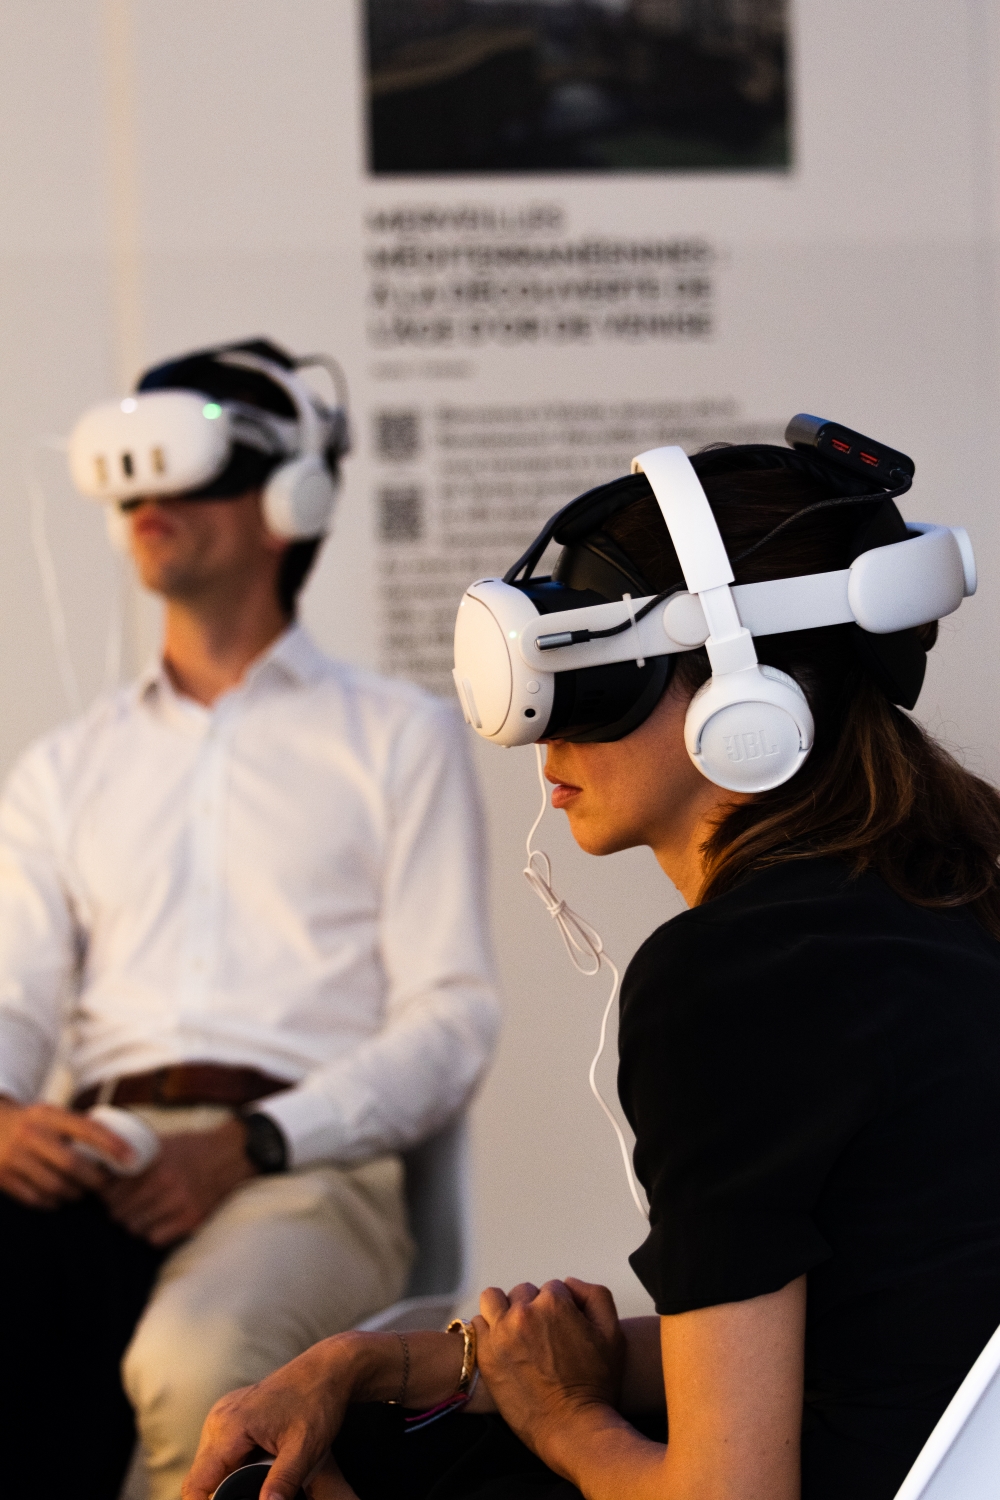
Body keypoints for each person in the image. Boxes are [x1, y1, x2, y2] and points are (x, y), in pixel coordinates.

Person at [183, 432, 1000, 1500]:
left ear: (744, 698)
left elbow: (729, 1492)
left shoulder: (734, 978)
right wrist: (376, 1361)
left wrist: (559, 1413)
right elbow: (859, 1344)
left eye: (597, 678)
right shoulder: (946, 900)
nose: (543, 740)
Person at [0, 339, 499, 1500]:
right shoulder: (64, 769)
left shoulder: (398, 736)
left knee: (198, 1367)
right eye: (133, 476)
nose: (149, 501)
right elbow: (14, 998)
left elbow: (451, 1018)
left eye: (192, 468)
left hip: (304, 1170)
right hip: (92, 1157)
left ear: (290, 501)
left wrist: (254, 1140)